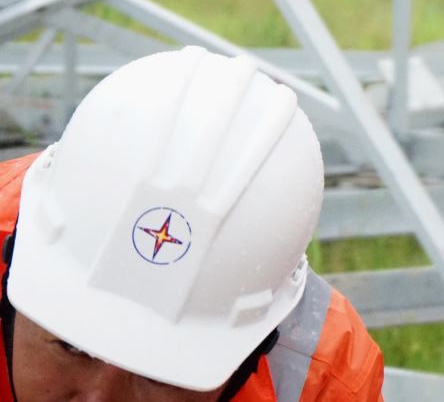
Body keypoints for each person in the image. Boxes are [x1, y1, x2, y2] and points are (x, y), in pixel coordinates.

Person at [0, 46, 384, 401]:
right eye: (73, 347)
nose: (102, 398)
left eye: (160, 376)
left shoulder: (324, 383)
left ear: (257, 345)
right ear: (16, 261)